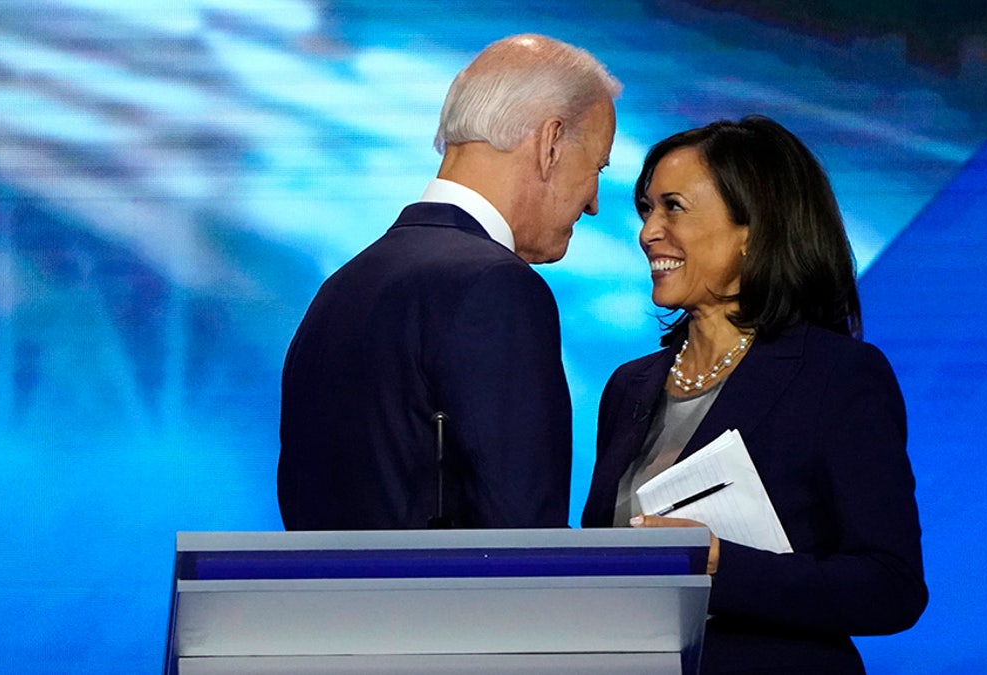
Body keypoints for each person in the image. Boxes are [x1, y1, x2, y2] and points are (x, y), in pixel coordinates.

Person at [582, 116, 926, 673]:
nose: (648, 231)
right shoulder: (630, 386)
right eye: (646, 209)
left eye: (673, 207)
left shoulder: (837, 376)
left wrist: (721, 565)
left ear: (753, 230)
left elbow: (891, 585)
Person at [279, 34, 620, 530]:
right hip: (453, 608)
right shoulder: (495, 287)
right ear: (550, 144)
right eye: (597, 167)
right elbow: (525, 540)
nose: (592, 202)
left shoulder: (343, 288)